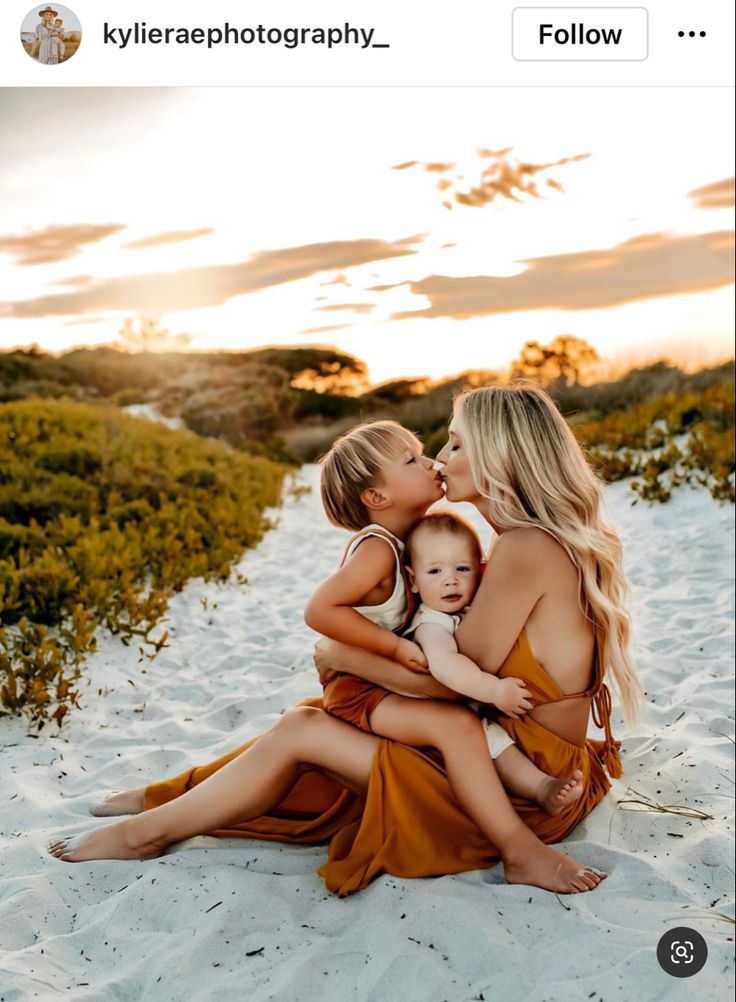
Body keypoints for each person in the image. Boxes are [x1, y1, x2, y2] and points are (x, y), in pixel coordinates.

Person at [50, 383, 642, 897]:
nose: (439, 456)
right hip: (519, 763)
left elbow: (453, 690)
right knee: (315, 720)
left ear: (499, 456)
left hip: (524, 788)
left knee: (305, 729)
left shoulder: (524, 549)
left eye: (457, 443)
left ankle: (146, 832)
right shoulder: (526, 542)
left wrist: (343, 655)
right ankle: (166, 798)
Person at [307, 421, 582, 814]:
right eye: (412, 459)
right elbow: (319, 609)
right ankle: (514, 832)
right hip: (365, 690)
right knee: (462, 724)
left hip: (380, 681)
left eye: (448, 448)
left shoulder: (415, 542)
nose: (433, 462)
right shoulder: (379, 550)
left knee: (468, 726)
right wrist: (393, 648)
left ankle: (528, 798)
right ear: (377, 495)